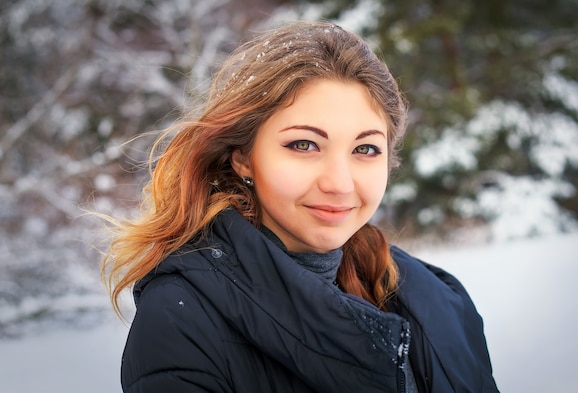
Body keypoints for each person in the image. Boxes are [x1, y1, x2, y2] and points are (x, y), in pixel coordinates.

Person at [101, 20, 499, 393]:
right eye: (304, 145)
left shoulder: (439, 300)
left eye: (365, 149)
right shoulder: (182, 320)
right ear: (243, 157)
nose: (339, 184)